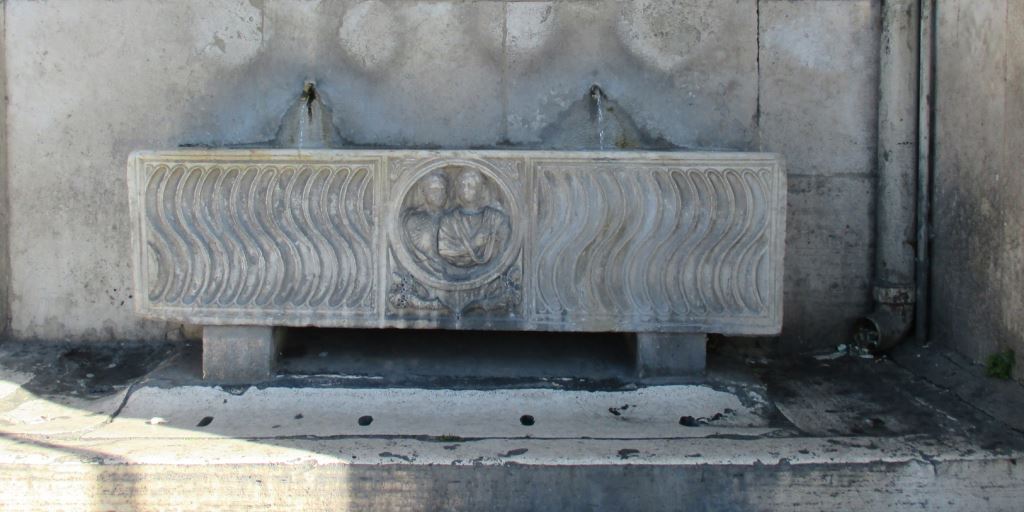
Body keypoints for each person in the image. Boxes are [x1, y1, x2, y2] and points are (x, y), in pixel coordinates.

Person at [437, 168, 510, 270]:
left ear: (481, 189)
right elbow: (444, 250)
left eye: (470, 185)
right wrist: (474, 244)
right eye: (462, 186)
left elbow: (503, 249)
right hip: (454, 273)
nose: (465, 190)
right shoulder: (449, 221)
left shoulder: (496, 219)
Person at [401, 172, 449, 273]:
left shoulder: (452, 219)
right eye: (434, 190)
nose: (439, 194)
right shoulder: (413, 220)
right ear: (424, 192)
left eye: (442, 190)